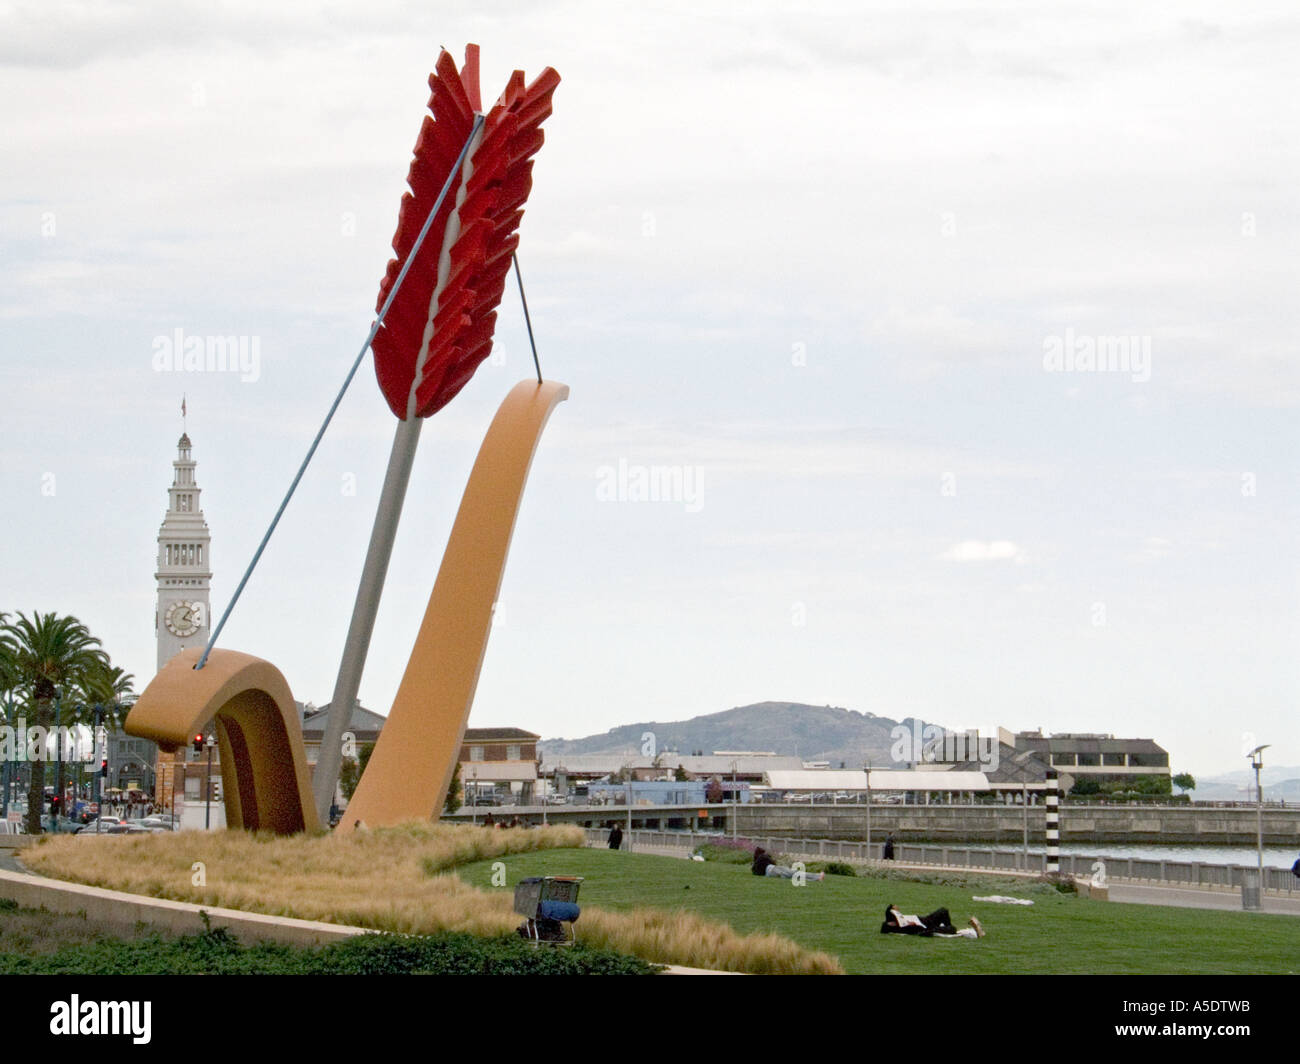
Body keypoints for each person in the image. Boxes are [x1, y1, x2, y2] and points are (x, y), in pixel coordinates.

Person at [881, 904, 983, 938]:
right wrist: (909, 924)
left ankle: (947, 929)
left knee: (943, 911)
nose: (899, 910)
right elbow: (884, 928)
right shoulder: (890, 925)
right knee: (952, 928)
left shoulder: (899, 919)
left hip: (925, 920)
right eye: (896, 909)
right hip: (926, 926)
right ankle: (949, 930)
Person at [750, 847, 825, 881]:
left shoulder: (755, 865)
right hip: (773, 869)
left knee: (792, 876)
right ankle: (817, 876)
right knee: (794, 873)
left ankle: (816, 878)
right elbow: (773, 862)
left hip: (771, 873)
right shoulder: (763, 857)